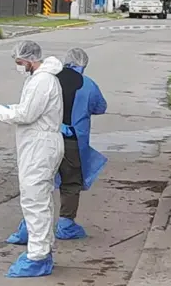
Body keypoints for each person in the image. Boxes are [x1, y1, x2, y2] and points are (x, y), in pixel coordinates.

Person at [6, 47, 108, 244]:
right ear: (83, 65)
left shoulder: (46, 79)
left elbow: (28, 109)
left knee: (39, 183)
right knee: (71, 183)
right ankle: (66, 224)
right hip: (72, 142)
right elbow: (100, 107)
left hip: (44, 141)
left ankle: (28, 228)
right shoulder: (87, 84)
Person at [0, 40, 65, 278]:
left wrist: (0, 111)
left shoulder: (42, 80)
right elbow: (29, 108)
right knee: (40, 199)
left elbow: (26, 114)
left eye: (20, 62)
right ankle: (43, 249)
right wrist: (11, 108)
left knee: (35, 201)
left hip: (40, 147)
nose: (18, 66)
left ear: (30, 60)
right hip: (40, 144)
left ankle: (38, 256)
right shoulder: (40, 79)